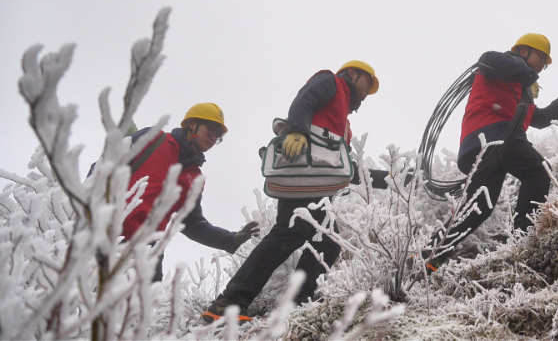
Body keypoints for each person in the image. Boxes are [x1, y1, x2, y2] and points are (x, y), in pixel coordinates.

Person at [202, 60, 379, 322]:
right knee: (294, 233)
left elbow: (348, 169)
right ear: (352, 74)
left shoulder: (344, 128)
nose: (368, 91)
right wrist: (297, 131)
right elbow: (303, 100)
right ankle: (231, 303)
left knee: (325, 243)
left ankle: (292, 304)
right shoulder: (332, 81)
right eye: (368, 83)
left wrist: (392, 178)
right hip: (303, 177)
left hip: (318, 186)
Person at [423, 34, 558, 272]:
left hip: (483, 145)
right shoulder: (498, 65)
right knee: (538, 171)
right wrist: (526, 76)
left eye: (545, 64)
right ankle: (525, 242)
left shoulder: (521, 96)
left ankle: (428, 258)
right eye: (540, 57)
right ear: (523, 51)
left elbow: (543, 118)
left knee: (478, 208)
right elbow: (489, 59)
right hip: (494, 135)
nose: (542, 65)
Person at [121, 103, 260, 281]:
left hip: (148, 251)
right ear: (192, 124)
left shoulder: (194, 179)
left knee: (140, 307)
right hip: (108, 231)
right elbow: (104, 165)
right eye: (211, 129)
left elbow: (192, 224)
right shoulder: (154, 139)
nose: (213, 137)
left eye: (218, 135)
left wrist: (229, 239)